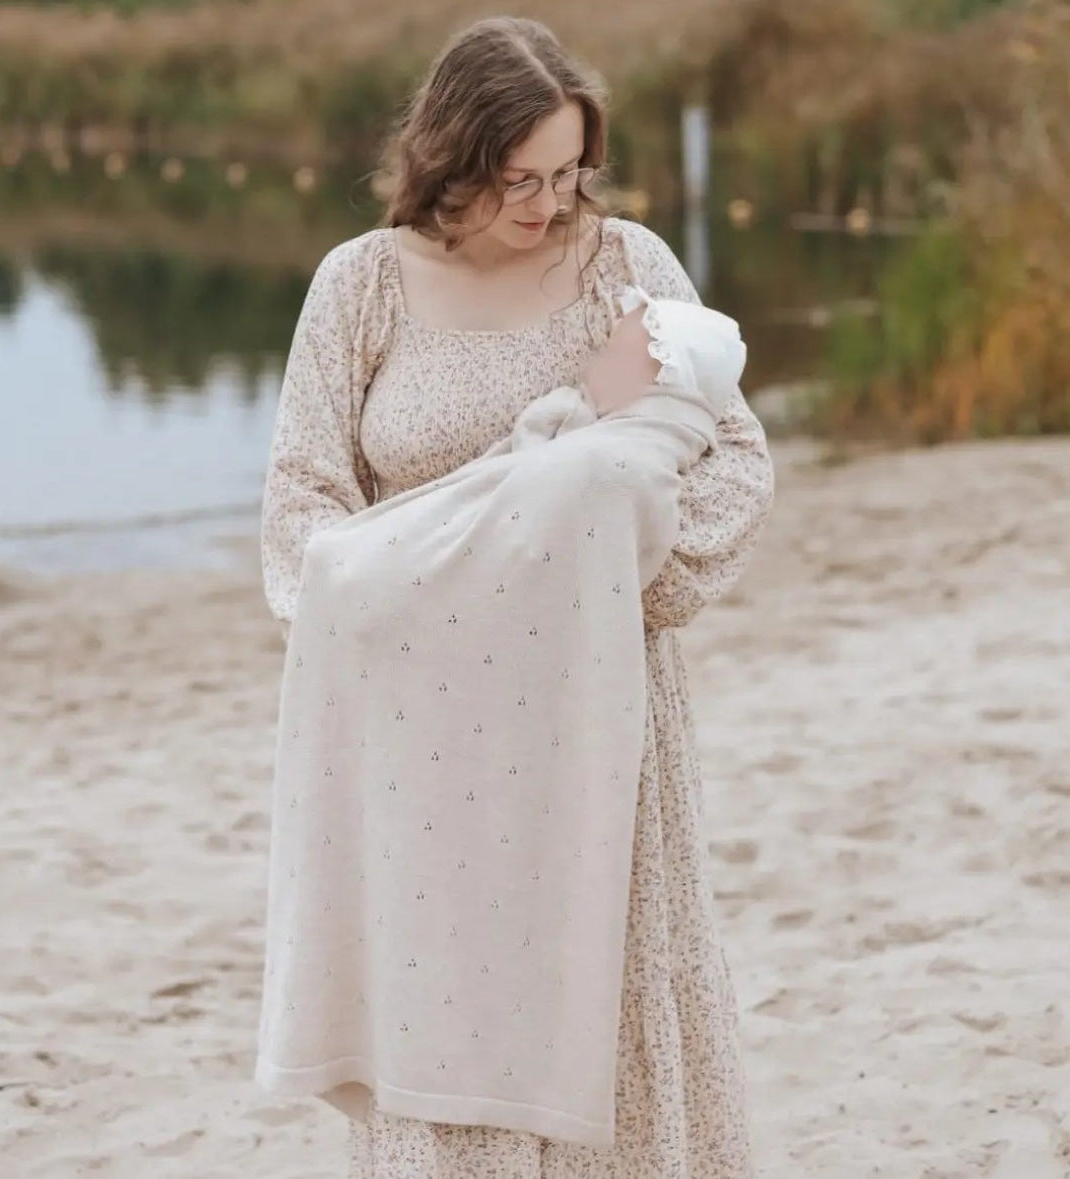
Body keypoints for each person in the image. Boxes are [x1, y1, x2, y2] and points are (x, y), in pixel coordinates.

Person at [258, 15, 775, 1178]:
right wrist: (429, 595)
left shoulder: (627, 270)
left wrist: (610, 579)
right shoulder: (360, 288)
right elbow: (302, 518)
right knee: (444, 995)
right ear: (450, 159)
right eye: (519, 179)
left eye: (569, 173)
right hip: (421, 738)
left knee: (607, 977)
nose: (550, 204)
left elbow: (732, 462)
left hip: (594, 715)